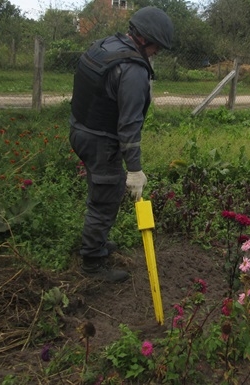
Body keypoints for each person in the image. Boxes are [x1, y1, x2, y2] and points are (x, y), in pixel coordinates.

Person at [69, 6, 174, 283]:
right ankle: (92, 262)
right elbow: (129, 125)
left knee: (100, 191)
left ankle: (98, 242)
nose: (157, 52)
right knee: (104, 201)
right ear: (144, 39)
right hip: (101, 141)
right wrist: (135, 169)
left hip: (80, 129)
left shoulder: (105, 45)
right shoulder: (133, 71)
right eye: (157, 47)